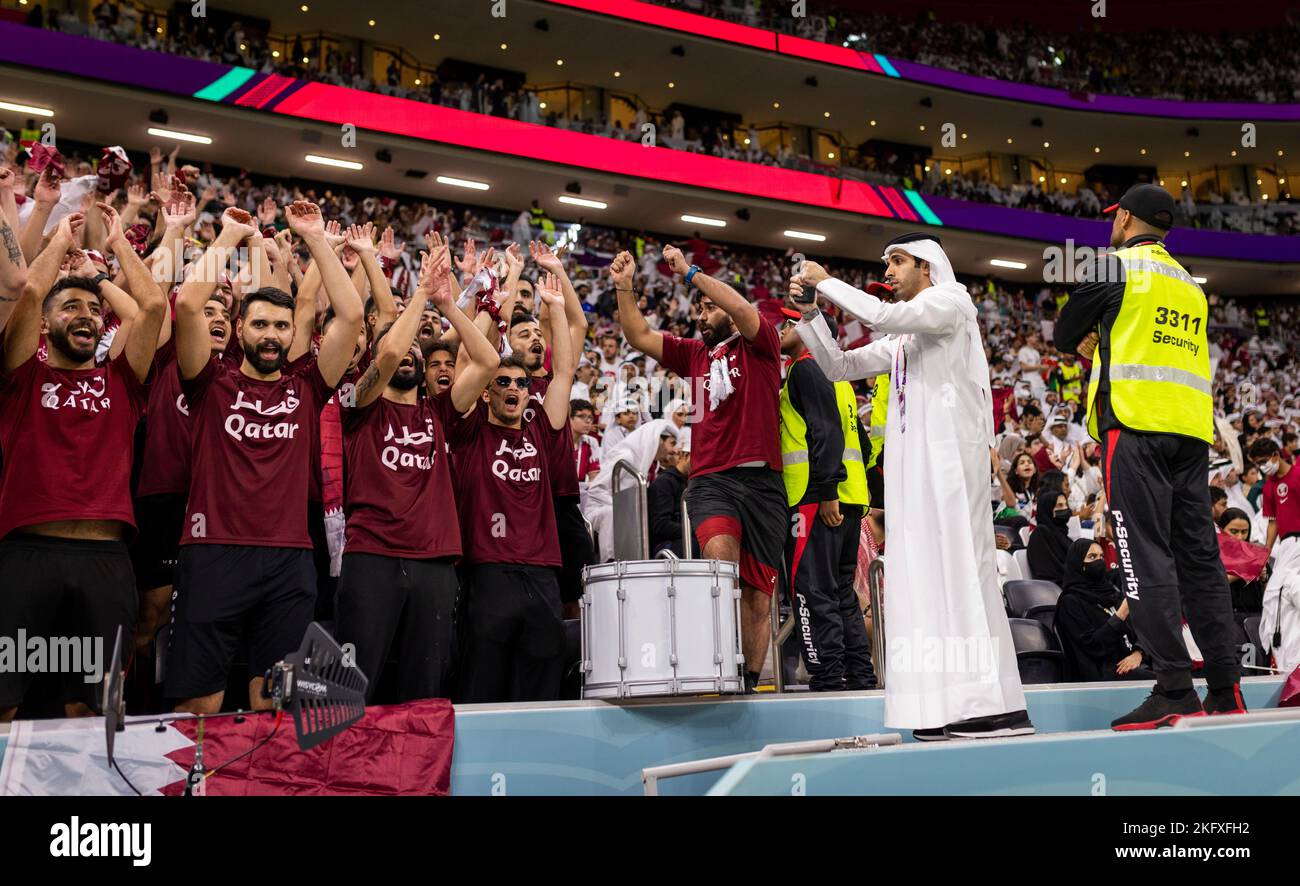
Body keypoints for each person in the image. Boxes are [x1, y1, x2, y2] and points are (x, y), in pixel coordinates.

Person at [792, 232, 1032, 739]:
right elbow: (838, 366)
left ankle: (990, 703)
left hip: (950, 465)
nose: (890, 271)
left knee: (961, 571)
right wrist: (812, 316)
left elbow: (882, 315)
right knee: (923, 580)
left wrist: (826, 280)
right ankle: (938, 705)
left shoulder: (951, 302)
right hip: (913, 476)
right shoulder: (905, 338)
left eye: (897, 261)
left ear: (926, 265)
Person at [1055, 183, 1245, 728]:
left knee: (1144, 558)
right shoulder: (1190, 284)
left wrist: (1093, 337)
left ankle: (1174, 688)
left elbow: (1067, 329)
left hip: (1134, 428)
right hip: (1188, 433)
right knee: (1200, 560)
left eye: (1115, 218)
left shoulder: (1115, 268)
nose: (1111, 224)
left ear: (1126, 221)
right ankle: (1226, 688)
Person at [164, 202, 364, 714]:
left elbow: (352, 316)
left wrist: (318, 238)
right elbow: (187, 305)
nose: (271, 335)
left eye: (280, 325)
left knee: (274, 701)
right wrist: (229, 234)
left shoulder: (308, 387)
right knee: (201, 700)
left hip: (289, 558)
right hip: (213, 552)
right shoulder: (209, 381)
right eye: (259, 325)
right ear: (240, 328)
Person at [0, 208, 164, 721]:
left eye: (94, 311)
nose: (87, 317)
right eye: (71, 309)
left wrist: (109, 256)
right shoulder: (22, 377)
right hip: (26, 556)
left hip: (105, 561)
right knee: (5, 701)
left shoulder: (122, 382)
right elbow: (29, 293)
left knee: (91, 708)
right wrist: (60, 245)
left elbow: (151, 307)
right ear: (46, 325)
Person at [614, 246, 786, 694]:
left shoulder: (761, 343)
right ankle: (716, 668)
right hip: (712, 482)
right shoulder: (693, 355)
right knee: (720, 568)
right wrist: (623, 286)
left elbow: (742, 309)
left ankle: (747, 683)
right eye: (699, 309)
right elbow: (639, 336)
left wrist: (692, 274)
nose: (702, 315)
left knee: (758, 595)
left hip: (764, 483)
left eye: (710, 308)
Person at [334, 247, 497, 703]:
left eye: (414, 350)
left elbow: (485, 362)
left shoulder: (440, 412)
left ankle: (416, 774)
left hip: (435, 564)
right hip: (371, 557)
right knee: (350, 691)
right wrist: (422, 295)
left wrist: (447, 306)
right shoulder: (358, 405)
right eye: (399, 348)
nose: (405, 354)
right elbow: (385, 352)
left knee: (423, 692)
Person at [449, 273, 574, 703]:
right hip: (487, 570)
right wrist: (488, 307)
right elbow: (469, 359)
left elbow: (565, 373)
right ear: (486, 393)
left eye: (521, 384)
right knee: (483, 680)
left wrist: (555, 305)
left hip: (541, 572)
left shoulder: (541, 427)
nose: (515, 389)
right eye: (503, 382)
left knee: (541, 679)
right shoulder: (469, 432)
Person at [778, 307, 875, 691]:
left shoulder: (805, 367)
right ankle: (860, 675)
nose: (781, 328)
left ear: (810, 333)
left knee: (811, 592)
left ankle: (827, 677)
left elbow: (826, 432)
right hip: (850, 499)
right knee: (842, 594)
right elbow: (863, 446)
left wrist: (826, 491)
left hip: (815, 499)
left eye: (789, 323)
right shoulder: (842, 378)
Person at [1055, 539, 1153, 682]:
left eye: (1101, 557)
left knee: (1177, 672)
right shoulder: (1070, 602)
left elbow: (1141, 629)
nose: (1099, 561)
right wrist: (1120, 615)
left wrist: (1138, 653)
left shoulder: (1111, 593)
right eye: (1092, 557)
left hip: (1133, 662)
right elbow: (1092, 646)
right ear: (1078, 564)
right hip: (1103, 671)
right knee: (1165, 683)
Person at [1247, 438, 1300, 674]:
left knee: (1282, 593)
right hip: (1287, 544)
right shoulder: (1268, 486)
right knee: (1276, 598)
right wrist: (1264, 554)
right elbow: (1273, 522)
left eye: (1263, 461)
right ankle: (1283, 660)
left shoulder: (1298, 474)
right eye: (1257, 464)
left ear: (1276, 455)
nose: (1262, 467)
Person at [648, 428, 694, 557]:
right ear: (684, 456)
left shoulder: (694, 483)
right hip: (669, 544)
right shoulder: (664, 483)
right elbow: (661, 525)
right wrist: (692, 531)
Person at [1026, 491, 1072, 585]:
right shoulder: (1041, 534)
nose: (1065, 508)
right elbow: (1050, 573)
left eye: (1065, 504)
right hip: (1059, 590)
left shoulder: (1063, 535)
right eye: (1059, 505)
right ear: (1047, 509)